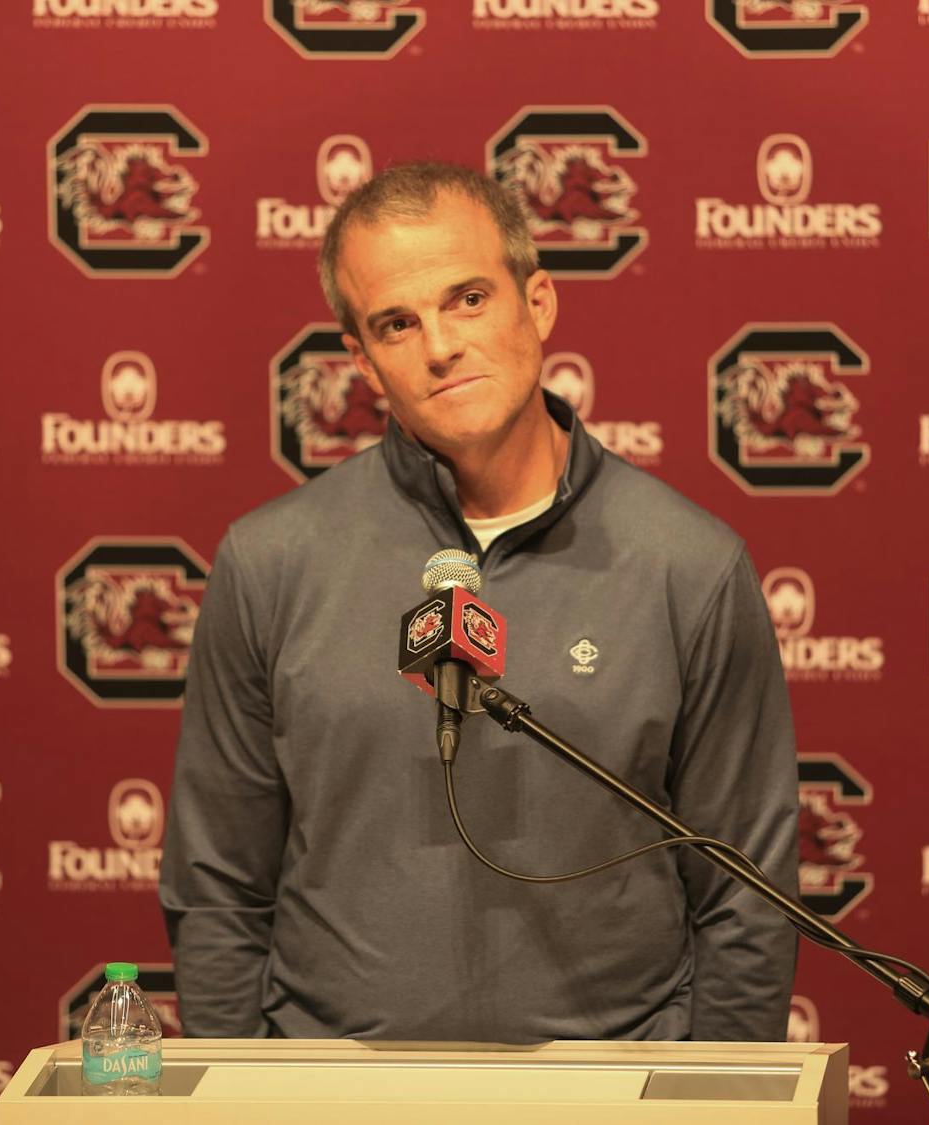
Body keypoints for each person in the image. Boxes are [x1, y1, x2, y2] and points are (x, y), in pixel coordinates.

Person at [159, 161, 799, 1043]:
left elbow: (747, 893)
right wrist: (241, 1094)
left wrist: (710, 1102)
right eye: (396, 321)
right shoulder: (271, 561)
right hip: (331, 1093)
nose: (439, 345)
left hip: (608, 1098)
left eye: (467, 298)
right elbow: (216, 883)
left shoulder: (689, 565)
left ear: (537, 303)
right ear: (361, 357)